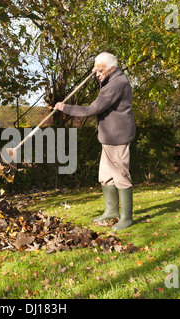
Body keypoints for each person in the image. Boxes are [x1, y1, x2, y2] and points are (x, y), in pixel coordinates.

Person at [54, 52, 136, 231]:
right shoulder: (112, 80)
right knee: (105, 176)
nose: (97, 74)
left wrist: (65, 108)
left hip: (117, 136)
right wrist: (97, 74)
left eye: (100, 71)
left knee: (120, 175)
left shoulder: (118, 83)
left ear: (112, 68)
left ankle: (126, 217)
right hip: (108, 137)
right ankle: (111, 211)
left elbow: (94, 108)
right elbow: (103, 87)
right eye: (96, 70)